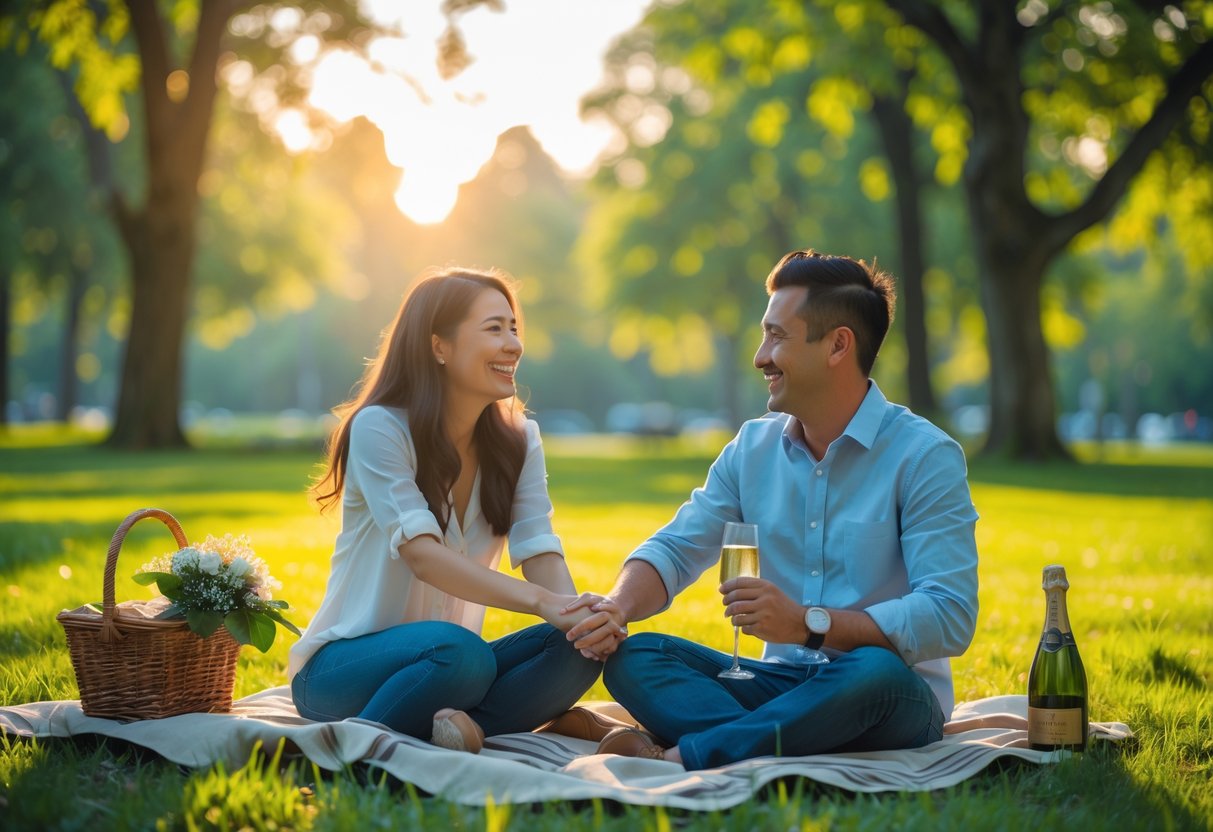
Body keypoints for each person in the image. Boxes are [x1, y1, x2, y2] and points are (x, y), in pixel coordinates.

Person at [564, 249, 979, 769]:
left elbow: (949, 614)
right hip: (779, 686)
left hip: (885, 693)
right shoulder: (751, 448)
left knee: (875, 672)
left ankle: (687, 754)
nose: (761, 356)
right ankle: (779, 738)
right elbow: (676, 546)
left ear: (837, 345)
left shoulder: (924, 456)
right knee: (637, 657)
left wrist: (808, 624)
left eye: (777, 337)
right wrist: (616, 608)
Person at [289, 267, 601, 753]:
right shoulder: (380, 428)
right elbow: (423, 557)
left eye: (514, 328)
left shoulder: (520, 439)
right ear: (440, 346)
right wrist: (542, 604)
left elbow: (538, 545)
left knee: (577, 651)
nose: (514, 344)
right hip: (342, 669)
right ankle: (389, 743)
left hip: (451, 668)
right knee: (461, 655)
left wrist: (577, 618)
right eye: (494, 328)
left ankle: (452, 726)